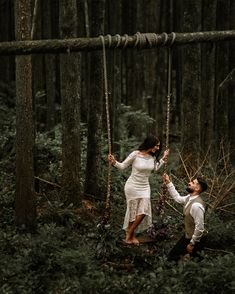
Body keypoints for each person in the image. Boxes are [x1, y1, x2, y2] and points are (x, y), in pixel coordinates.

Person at [108, 135, 169, 245]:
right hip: (132, 186)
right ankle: (131, 237)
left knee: (144, 211)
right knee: (133, 211)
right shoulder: (135, 154)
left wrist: (163, 159)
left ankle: (129, 233)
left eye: (159, 146)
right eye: (157, 145)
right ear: (150, 144)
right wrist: (114, 162)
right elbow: (122, 166)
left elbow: (155, 168)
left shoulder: (153, 157)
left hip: (145, 187)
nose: (158, 148)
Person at [162, 173, 208, 261]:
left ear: (197, 188)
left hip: (197, 239)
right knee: (173, 256)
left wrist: (192, 244)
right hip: (189, 235)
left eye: (193, 183)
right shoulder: (189, 197)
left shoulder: (196, 205)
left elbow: (200, 228)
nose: (189, 183)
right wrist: (168, 182)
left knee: (195, 262)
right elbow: (177, 198)